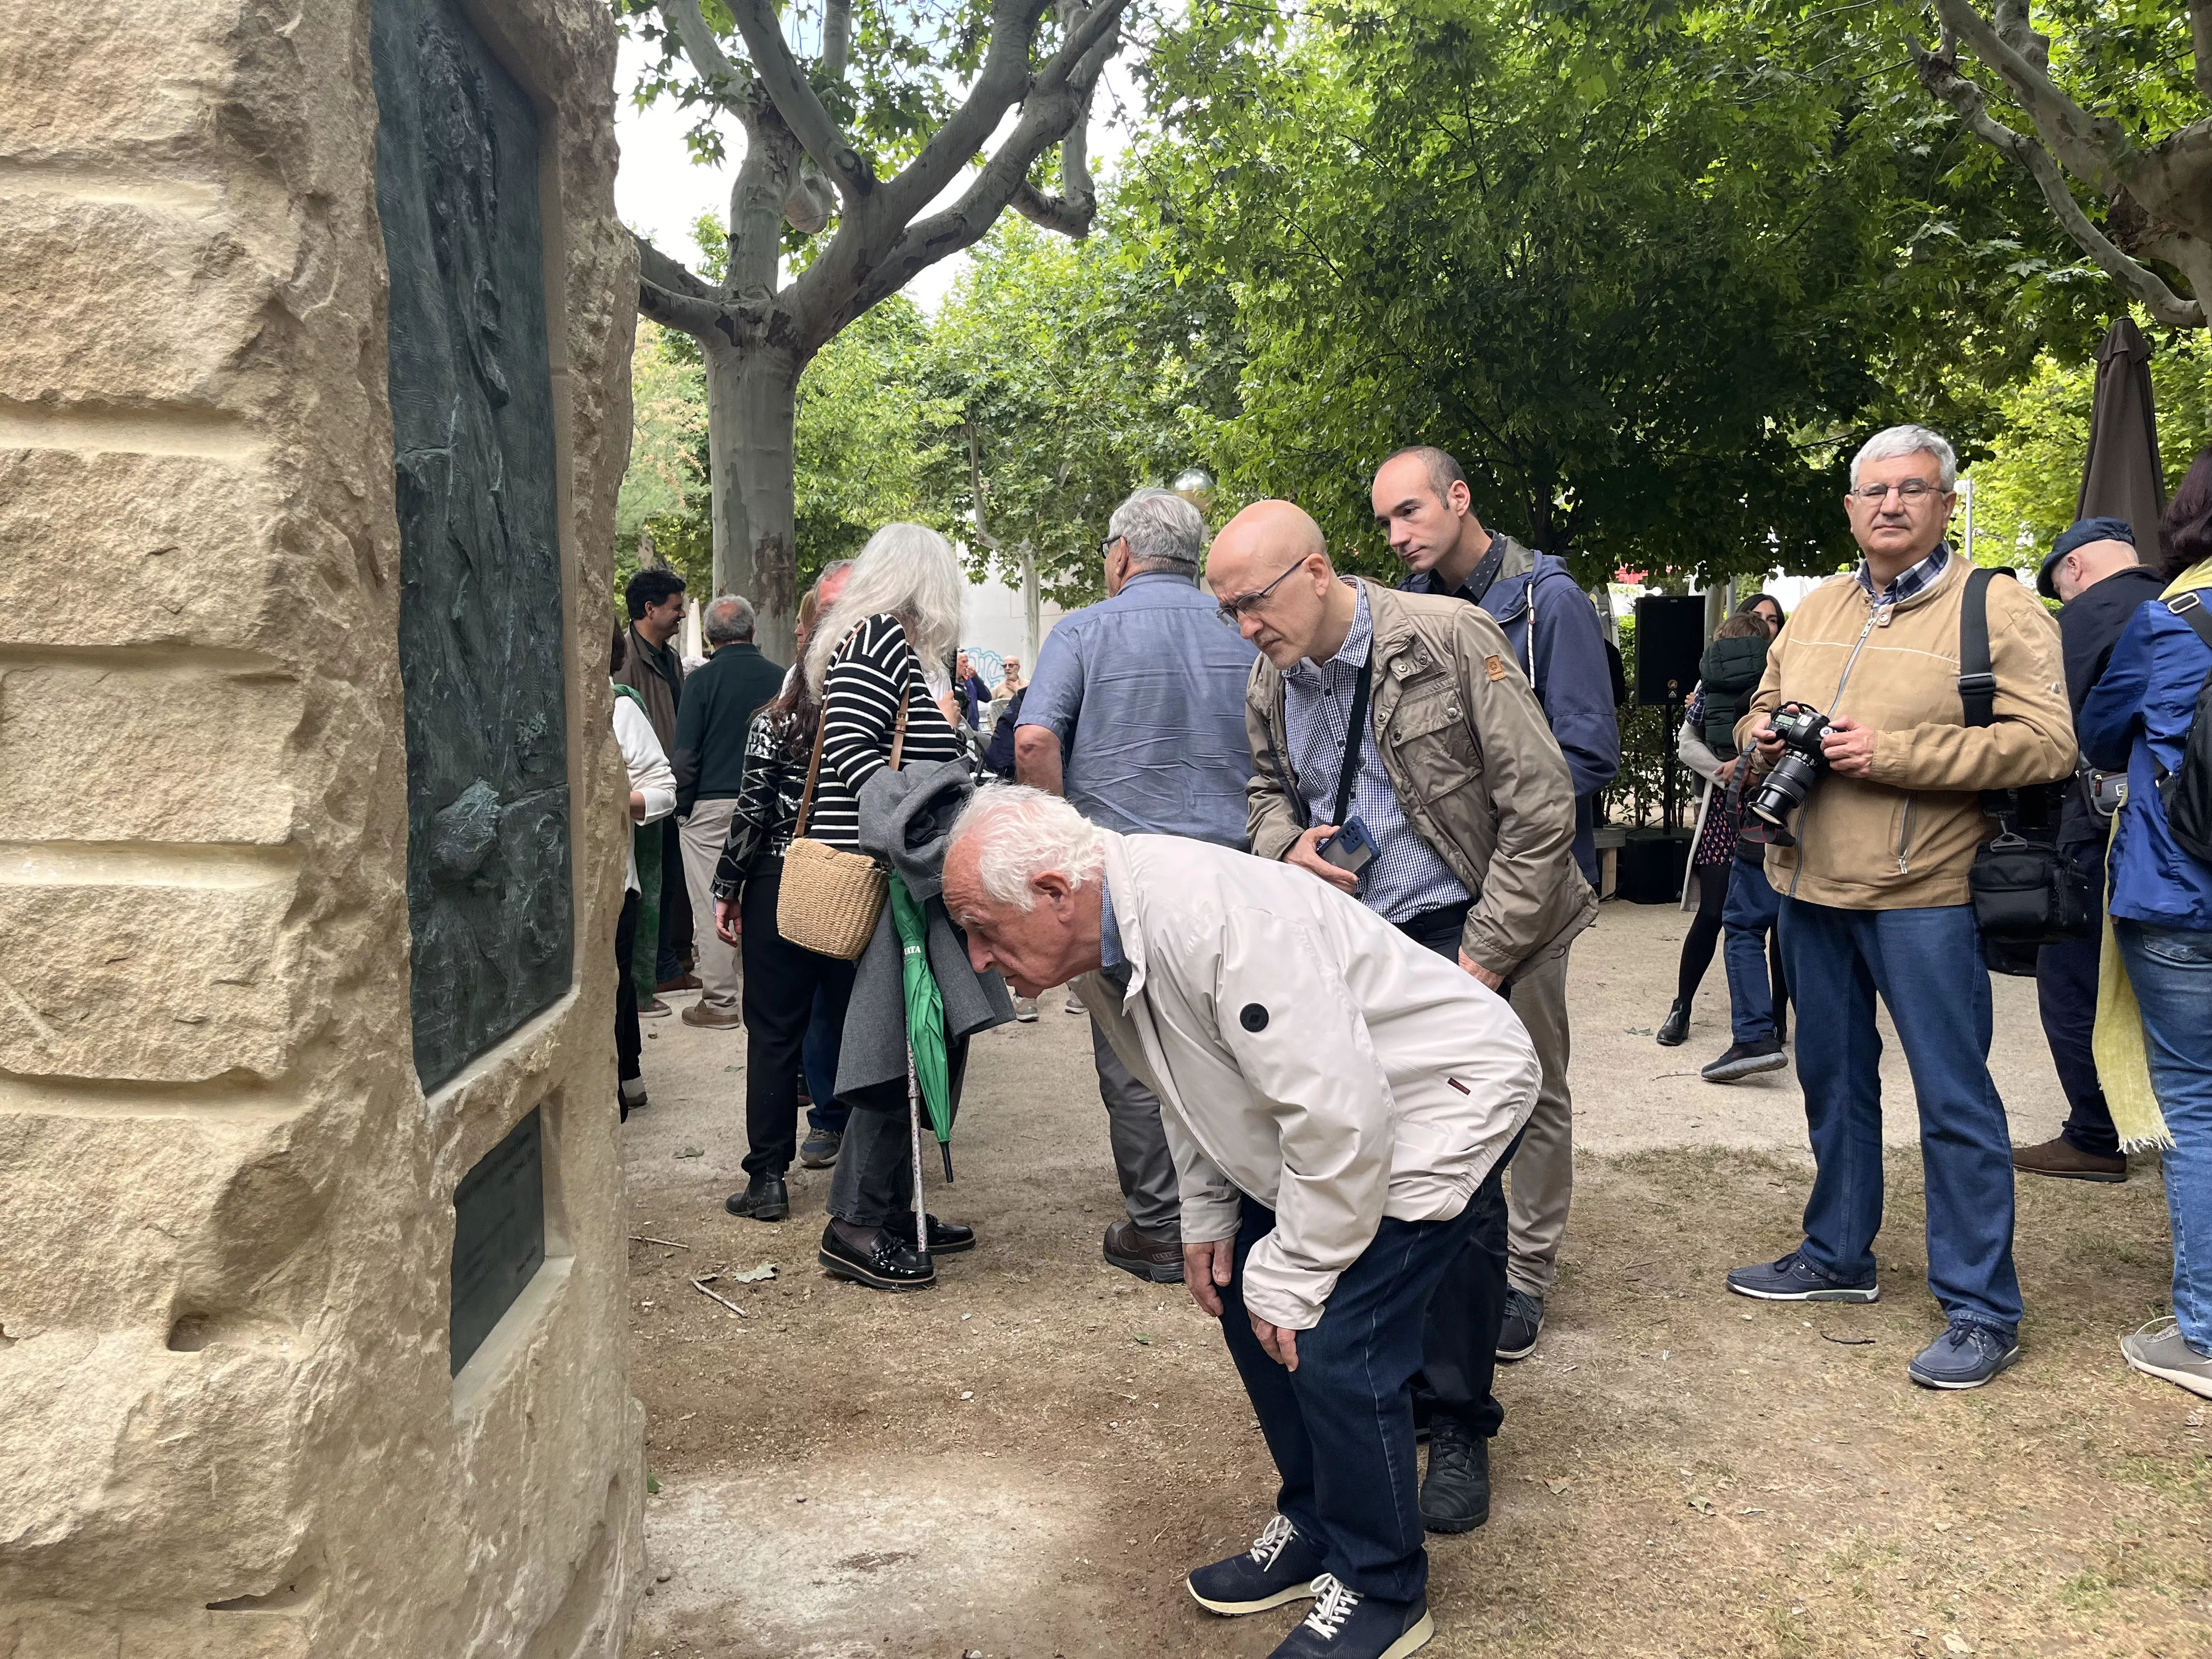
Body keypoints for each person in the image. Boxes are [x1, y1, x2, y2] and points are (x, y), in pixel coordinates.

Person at [944, 787, 1538, 1659]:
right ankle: (1315, 1520)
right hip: (1331, 1113)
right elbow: (1189, 1085)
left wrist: (1297, 1276)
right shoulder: (1105, 936)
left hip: (1440, 1098)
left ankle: (1382, 1588)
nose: (979, 957)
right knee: (1239, 1293)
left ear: (1052, 892)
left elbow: (1342, 1119)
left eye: (984, 929)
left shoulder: (1212, 921)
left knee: (1335, 1334)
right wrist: (1211, 1216)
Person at [1214, 499, 1590, 1536]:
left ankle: (1461, 1417)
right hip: (1346, 951)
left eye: (1252, 602)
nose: (1244, 627)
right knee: (1358, 1157)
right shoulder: (1269, 673)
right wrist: (1284, 844)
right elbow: (1258, 790)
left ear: (1317, 570)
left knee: (1457, 1186)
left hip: (1461, 932)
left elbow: (1542, 808)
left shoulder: (1451, 636)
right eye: (1228, 611)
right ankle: (1392, 1383)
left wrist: (1479, 961)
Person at [1725, 424, 2074, 1391]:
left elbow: (2047, 743)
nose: (1889, 504)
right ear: (1848, 508)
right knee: (1833, 1082)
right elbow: (1765, 695)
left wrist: (1898, 755)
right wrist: (1762, 725)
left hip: (1926, 891)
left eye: (1911, 489)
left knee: (1954, 1100)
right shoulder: (1819, 602)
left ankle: (1980, 1304)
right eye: (1872, 491)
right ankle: (1837, 1253)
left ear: (1945, 502)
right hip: (1808, 882)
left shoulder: (1994, 606)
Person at [1369, 447, 1618, 1364]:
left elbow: (1587, 754)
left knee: (1532, 1082)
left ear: (1458, 498)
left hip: (1529, 886)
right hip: (1435, 896)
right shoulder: (1409, 611)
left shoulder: (1544, 598)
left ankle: (1526, 1274)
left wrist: (1492, 816)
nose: (1398, 536)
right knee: (1444, 1085)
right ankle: (1458, 1260)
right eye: (1386, 523)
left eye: (1409, 513)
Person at [1015, 487, 1260, 1284]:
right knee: (1243, 1039)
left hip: (1122, 880)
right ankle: (1251, 1207)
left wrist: (1061, 841)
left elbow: (1034, 738)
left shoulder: (1083, 630)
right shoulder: (1244, 629)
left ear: (1122, 554)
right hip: (1239, 875)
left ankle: (1160, 1224)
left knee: (1133, 1055)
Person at [804, 524, 1006, 1291]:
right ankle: (855, 1221)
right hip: (898, 880)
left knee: (925, 1045)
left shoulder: (888, 646)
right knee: (898, 1049)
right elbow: (857, 766)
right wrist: (930, 837)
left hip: (916, 877)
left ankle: (888, 1207)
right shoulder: (874, 643)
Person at [2080, 456, 2212, 1398]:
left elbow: (2094, 733)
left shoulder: (2167, 619)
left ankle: (2203, 1330)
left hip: (2178, 897)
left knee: (2196, 1107)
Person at [2011, 518, 2165, 1182]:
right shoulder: (2184, 599)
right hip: (2185, 835)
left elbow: (2060, 729)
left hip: (2102, 828)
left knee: (2072, 978)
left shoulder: (2085, 619)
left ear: (2072, 570)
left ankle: (2094, 1135)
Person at [710, 627, 860, 1221]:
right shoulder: (866, 728)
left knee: (773, 1034)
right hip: (851, 887)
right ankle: (865, 1180)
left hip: (780, 881)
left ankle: (767, 1179)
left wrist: (728, 887)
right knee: (856, 1031)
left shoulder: (773, 722)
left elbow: (752, 808)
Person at [1660, 606, 1776, 1051]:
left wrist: (1724, 772)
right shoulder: (1772, 685)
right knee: (1775, 923)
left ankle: (1681, 1008)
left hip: (1721, 813)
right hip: (1771, 807)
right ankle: (1776, 1024)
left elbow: (1687, 746)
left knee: (1712, 913)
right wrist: (1743, 769)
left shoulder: (1707, 686)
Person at [670, 594, 784, 1031]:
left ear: (708, 637)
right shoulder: (780, 678)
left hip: (712, 803)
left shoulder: (700, 682)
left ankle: (719, 1004)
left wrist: (682, 810)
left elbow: (685, 757)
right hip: (771, 801)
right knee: (766, 900)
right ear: (753, 632)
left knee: (711, 902)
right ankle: (767, 993)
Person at [614, 567, 694, 1005]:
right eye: (676, 606)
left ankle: (670, 964)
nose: (681, 614)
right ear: (650, 609)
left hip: (665, 789)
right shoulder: (625, 660)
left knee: (670, 880)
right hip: (641, 792)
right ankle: (655, 974)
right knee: (650, 885)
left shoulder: (672, 658)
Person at [610, 627, 676, 1119]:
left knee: (615, 983)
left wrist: (616, 800)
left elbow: (662, 791)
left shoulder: (620, 709)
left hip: (613, 881)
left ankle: (622, 1078)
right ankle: (627, 1074)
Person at [955, 651, 992, 729]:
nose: (967, 665)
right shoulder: (949, 682)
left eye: (967, 662)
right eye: (964, 662)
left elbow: (987, 697)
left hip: (973, 728)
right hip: (959, 728)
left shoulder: (969, 680)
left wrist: (975, 677)